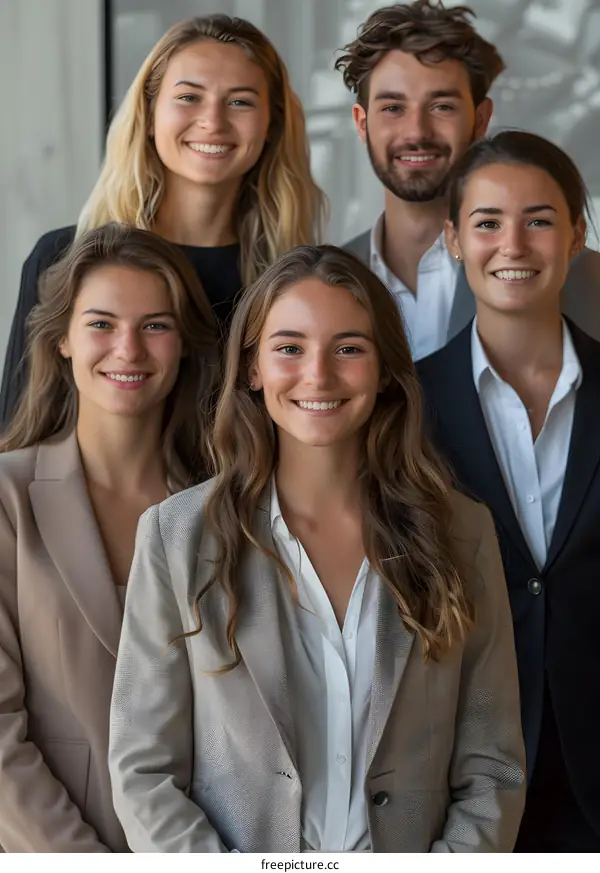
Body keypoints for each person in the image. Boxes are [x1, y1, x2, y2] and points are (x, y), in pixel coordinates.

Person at [108, 244, 525, 853]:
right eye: (289, 348)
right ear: (252, 367)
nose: (318, 375)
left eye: (349, 348)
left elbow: (493, 769)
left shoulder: (462, 534)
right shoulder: (177, 536)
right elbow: (143, 773)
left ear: (384, 369)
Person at [0, 223, 219, 851]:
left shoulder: (228, 511)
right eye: (101, 324)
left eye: (155, 325)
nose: (128, 349)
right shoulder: (8, 500)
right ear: (62, 339)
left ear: (183, 344)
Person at [0, 13, 325, 428]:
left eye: (240, 101)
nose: (213, 121)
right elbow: (18, 431)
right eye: (189, 97)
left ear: (271, 126)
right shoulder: (63, 259)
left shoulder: (288, 284)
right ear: (150, 115)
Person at [417, 131, 600, 851]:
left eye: (541, 219)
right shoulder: (405, 406)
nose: (513, 244)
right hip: (459, 775)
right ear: (454, 238)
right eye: (488, 222)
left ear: (578, 233)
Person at [336, 0, 600, 359]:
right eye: (393, 108)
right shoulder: (328, 278)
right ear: (362, 123)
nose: (417, 132)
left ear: (480, 120)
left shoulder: (580, 277)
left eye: (441, 106)